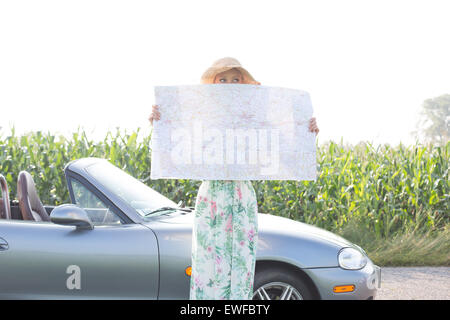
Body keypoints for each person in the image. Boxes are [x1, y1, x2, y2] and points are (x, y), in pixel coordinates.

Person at [149, 57, 319, 300]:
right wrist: (159, 121)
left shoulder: (255, 121)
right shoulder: (199, 117)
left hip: (242, 198)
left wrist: (306, 129)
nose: (230, 83)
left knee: (240, 262)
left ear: (244, 83)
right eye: (223, 79)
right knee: (208, 263)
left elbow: (284, 147)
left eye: (236, 79)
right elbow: (173, 147)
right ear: (214, 84)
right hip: (211, 197)